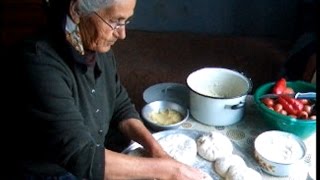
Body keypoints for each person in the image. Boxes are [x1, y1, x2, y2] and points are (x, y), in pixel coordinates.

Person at [6, 0, 209, 179]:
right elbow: (83, 158)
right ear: (77, 10)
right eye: (115, 21)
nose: (122, 34)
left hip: (92, 154)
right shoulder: (37, 64)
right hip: (48, 172)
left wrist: (156, 149)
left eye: (126, 21)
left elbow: (120, 104)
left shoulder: (96, 47)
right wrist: (168, 171)